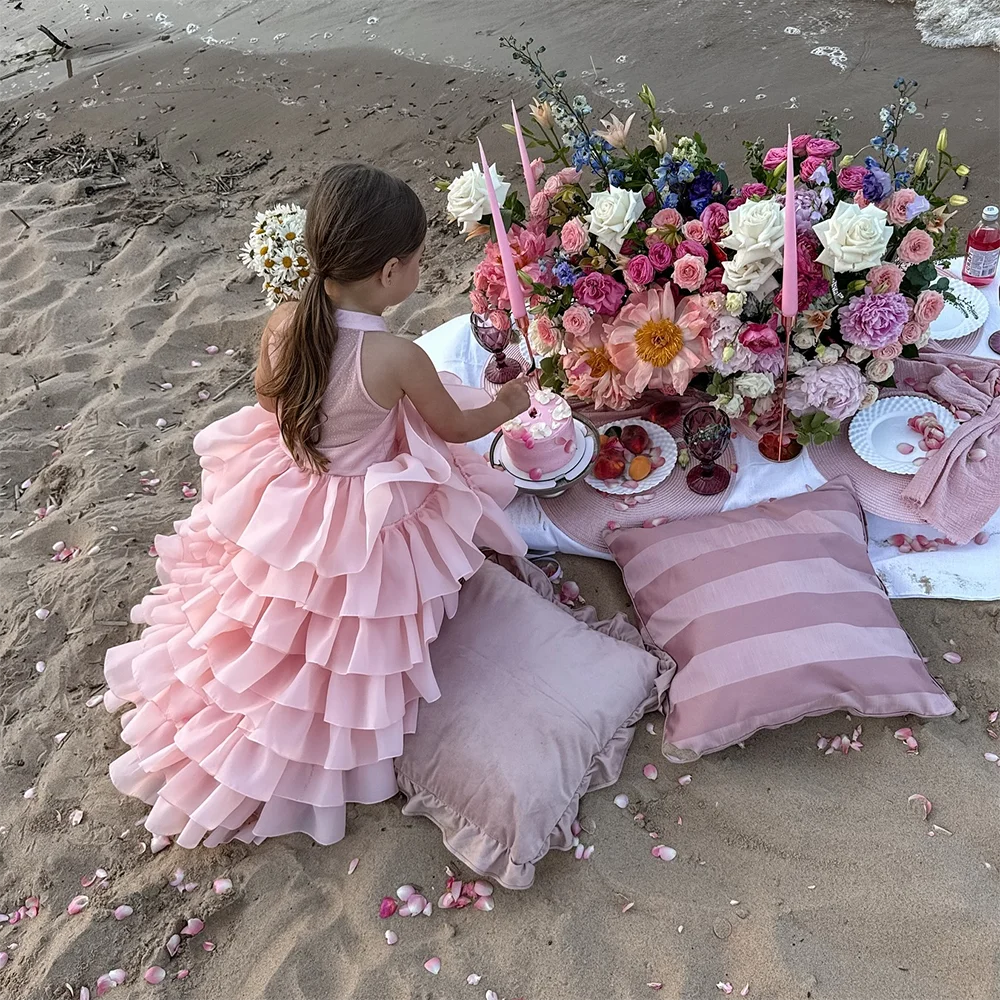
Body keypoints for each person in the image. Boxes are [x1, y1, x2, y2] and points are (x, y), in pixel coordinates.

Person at [103, 163, 530, 847]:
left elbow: (272, 403)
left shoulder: (283, 323)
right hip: (360, 509)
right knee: (360, 608)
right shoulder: (392, 355)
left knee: (287, 609)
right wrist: (507, 404)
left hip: (301, 489)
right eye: (419, 261)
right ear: (390, 273)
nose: (419, 271)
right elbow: (451, 427)